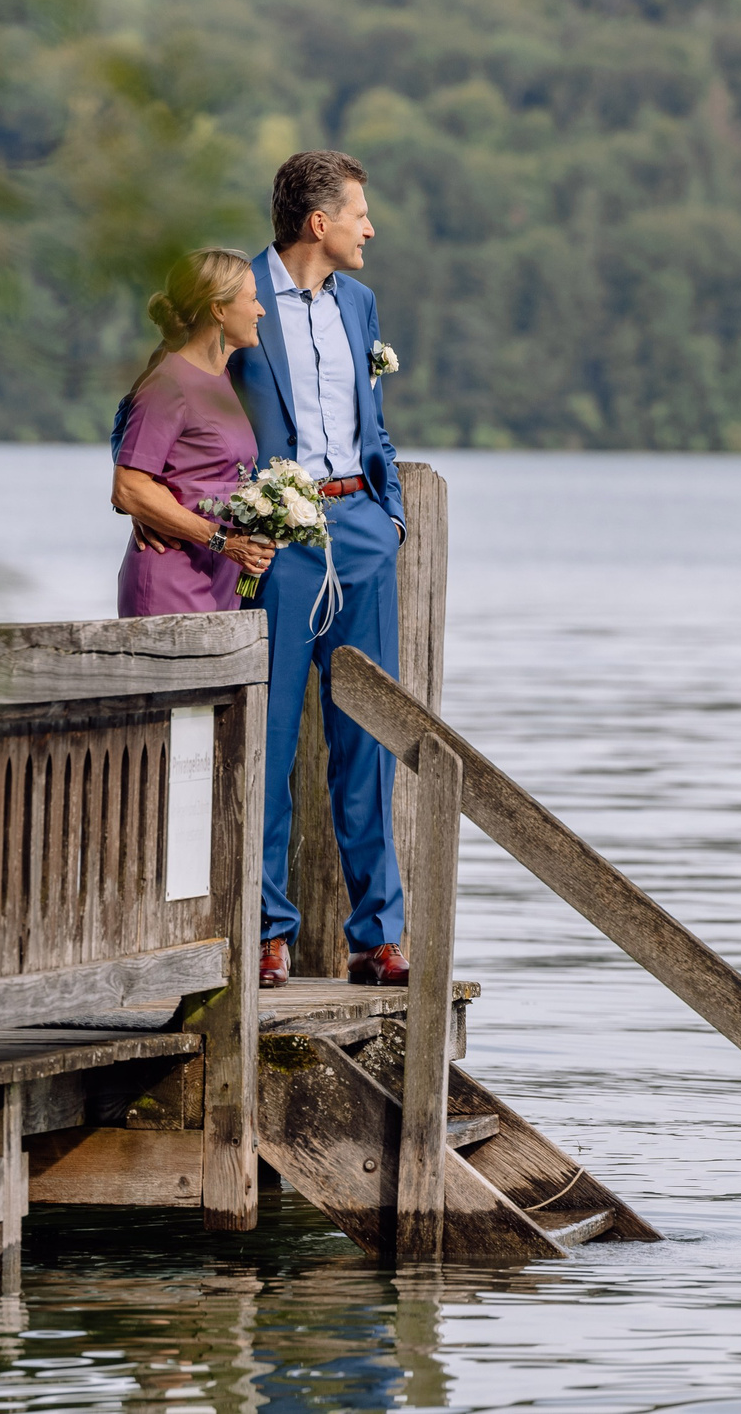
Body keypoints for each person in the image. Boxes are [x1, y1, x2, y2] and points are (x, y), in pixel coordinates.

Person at [229, 151, 411, 989]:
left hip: (361, 532)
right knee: (265, 742)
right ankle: (266, 932)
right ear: (318, 222)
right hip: (279, 540)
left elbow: (378, 422)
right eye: (360, 213)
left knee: (368, 740)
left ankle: (378, 938)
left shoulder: (362, 303)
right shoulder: (239, 300)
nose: (370, 227)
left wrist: (392, 514)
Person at [110, 249, 278, 615]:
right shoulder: (169, 384)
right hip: (171, 582)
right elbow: (128, 487)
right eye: (252, 299)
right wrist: (221, 541)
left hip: (220, 584)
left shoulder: (224, 379)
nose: (261, 310)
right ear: (219, 309)